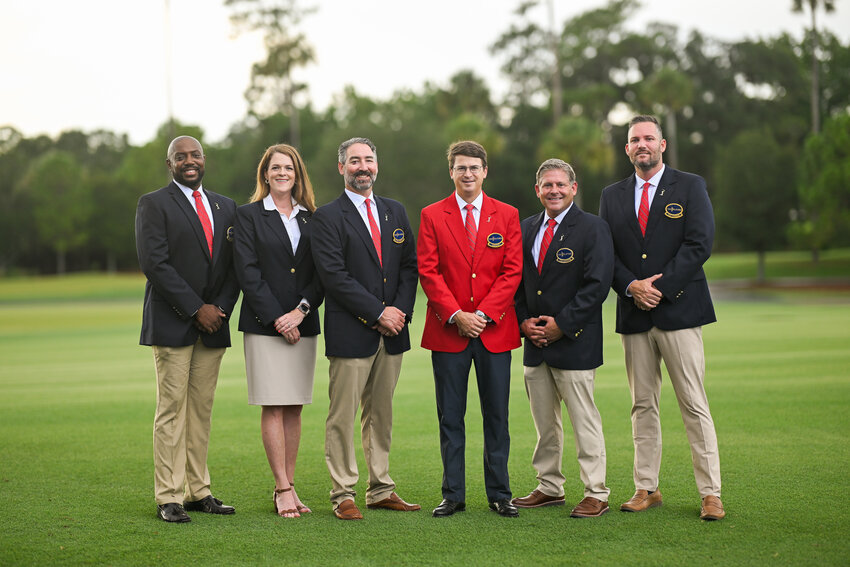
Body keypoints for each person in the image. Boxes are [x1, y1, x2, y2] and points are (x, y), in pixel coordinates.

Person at [599, 114, 725, 521]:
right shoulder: (612, 195)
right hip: (634, 314)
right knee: (642, 404)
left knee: (693, 402)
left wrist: (661, 286)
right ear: (627, 148)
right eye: (635, 139)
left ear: (662, 145)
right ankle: (646, 487)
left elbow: (699, 243)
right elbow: (607, 255)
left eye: (648, 138)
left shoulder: (690, 185)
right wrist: (631, 287)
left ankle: (710, 493)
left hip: (681, 309)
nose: (642, 145)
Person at [311, 137, 420, 520]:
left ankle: (381, 488)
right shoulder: (326, 216)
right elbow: (334, 277)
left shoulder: (395, 211)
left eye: (369, 160)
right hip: (352, 331)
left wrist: (399, 313)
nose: (363, 167)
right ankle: (342, 492)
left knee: (382, 414)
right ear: (341, 167)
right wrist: (378, 313)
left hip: (392, 334)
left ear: (378, 165)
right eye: (354, 161)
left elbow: (409, 268)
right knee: (342, 414)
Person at [135, 135, 240, 523]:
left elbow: (235, 267)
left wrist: (221, 309)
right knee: (171, 410)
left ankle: (199, 491)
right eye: (181, 157)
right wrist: (198, 309)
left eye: (195, 155)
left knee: (201, 410)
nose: (189, 161)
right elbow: (155, 264)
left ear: (204, 159)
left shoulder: (226, 207)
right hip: (172, 323)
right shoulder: (154, 204)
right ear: (170, 164)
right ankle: (169, 495)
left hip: (214, 326)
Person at [418, 140, 523, 518]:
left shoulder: (507, 214)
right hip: (449, 333)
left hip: (495, 332)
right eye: (460, 168)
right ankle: (453, 494)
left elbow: (512, 271)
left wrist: (484, 315)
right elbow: (428, 272)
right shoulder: (432, 215)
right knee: (451, 418)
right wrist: (458, 315)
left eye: (474, 167)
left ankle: (500, 493)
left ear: (485, 171)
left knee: (497, 416)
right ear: (451, 172)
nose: (467, 174)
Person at [512, 159, 614, 518]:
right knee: (544, 424)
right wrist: (524, 322)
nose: (554, 191)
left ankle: (596, 492)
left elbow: (597, 285)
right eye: (546, 185)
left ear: (573, 188)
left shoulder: (593, 228)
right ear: (537, 190)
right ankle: (549, 487)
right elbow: (515, 282)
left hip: (575, 341)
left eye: (560, 185)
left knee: (583, 420)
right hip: (534, 344)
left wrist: (562, 325)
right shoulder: (524, 229)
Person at [232, 144, 324, 519]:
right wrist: (277, 318)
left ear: (297, 174)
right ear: (265, 174)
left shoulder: (314, 219)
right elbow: (247, 273)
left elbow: (324, 273)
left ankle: (289, 483)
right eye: (276, 168)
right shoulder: (248, 216)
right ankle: (282, 488)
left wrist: (300, 312)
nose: (283, 173)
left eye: (289, 167)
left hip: (303, 324)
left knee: (295, 406)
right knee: (273, 403)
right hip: (264, 325)